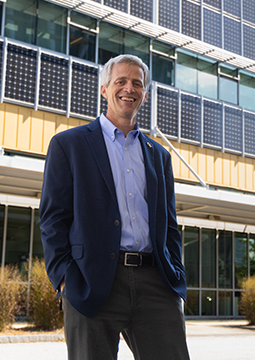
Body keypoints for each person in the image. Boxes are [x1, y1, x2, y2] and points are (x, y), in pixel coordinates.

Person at [40, 54, 190, 360]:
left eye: (137, 83)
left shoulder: (159, 156)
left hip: (155, 281)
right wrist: (65, 278)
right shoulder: (69, 145)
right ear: (104, 89)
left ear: (145, 94)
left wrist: (175, 275)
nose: (129, 88)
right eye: (120, 81)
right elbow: (53, 219)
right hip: (91, 279)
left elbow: (169, 224)